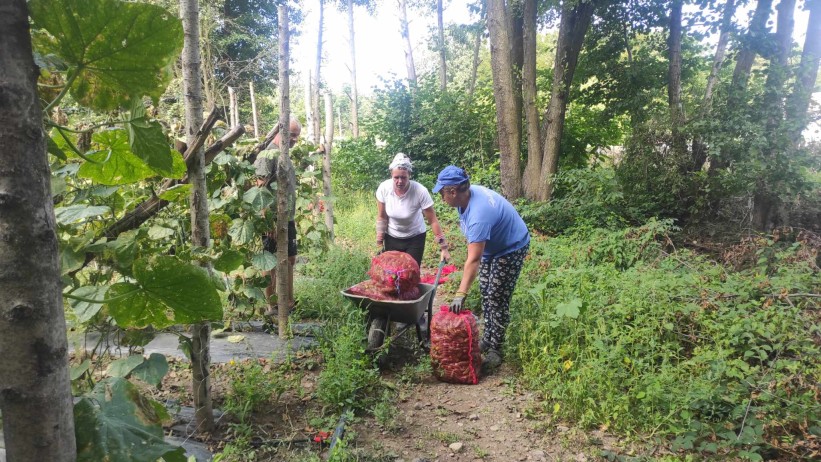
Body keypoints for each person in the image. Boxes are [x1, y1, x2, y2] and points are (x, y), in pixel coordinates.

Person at [432, 166, 530, 373]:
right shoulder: (465, 198)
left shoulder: (479, 214)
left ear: (453, 191)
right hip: (492, 247)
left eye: (442, 192)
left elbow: (473, 259)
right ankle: (487, 338)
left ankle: (497, 348)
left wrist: (460, 293)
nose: (441, 198)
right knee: (486, 291)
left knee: (497, 296)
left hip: (511, 247)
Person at [254, 117, 301, 318]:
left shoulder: (284, 154)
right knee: (270, 261)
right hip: (273, 217)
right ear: (280, 132)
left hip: (287, 216)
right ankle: (271, 304)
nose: (294, 140)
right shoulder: (267, 155)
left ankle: (289, 302)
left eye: (297, 136)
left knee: (290, 257)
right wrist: (267, 220)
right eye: (292, 135)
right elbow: (260, 187)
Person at [376, 153, 451, 267]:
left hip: (415, 237)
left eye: (403, 177)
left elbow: (433, 220)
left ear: (409, 175)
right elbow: (382, 217)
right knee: (391, 273)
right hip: (392, 237)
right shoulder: (384, 188)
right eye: (396, 177)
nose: (400, 181)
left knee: (410, 272)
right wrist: (379, 242)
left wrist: (444, 247)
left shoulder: (420, 191)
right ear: (391, 175)